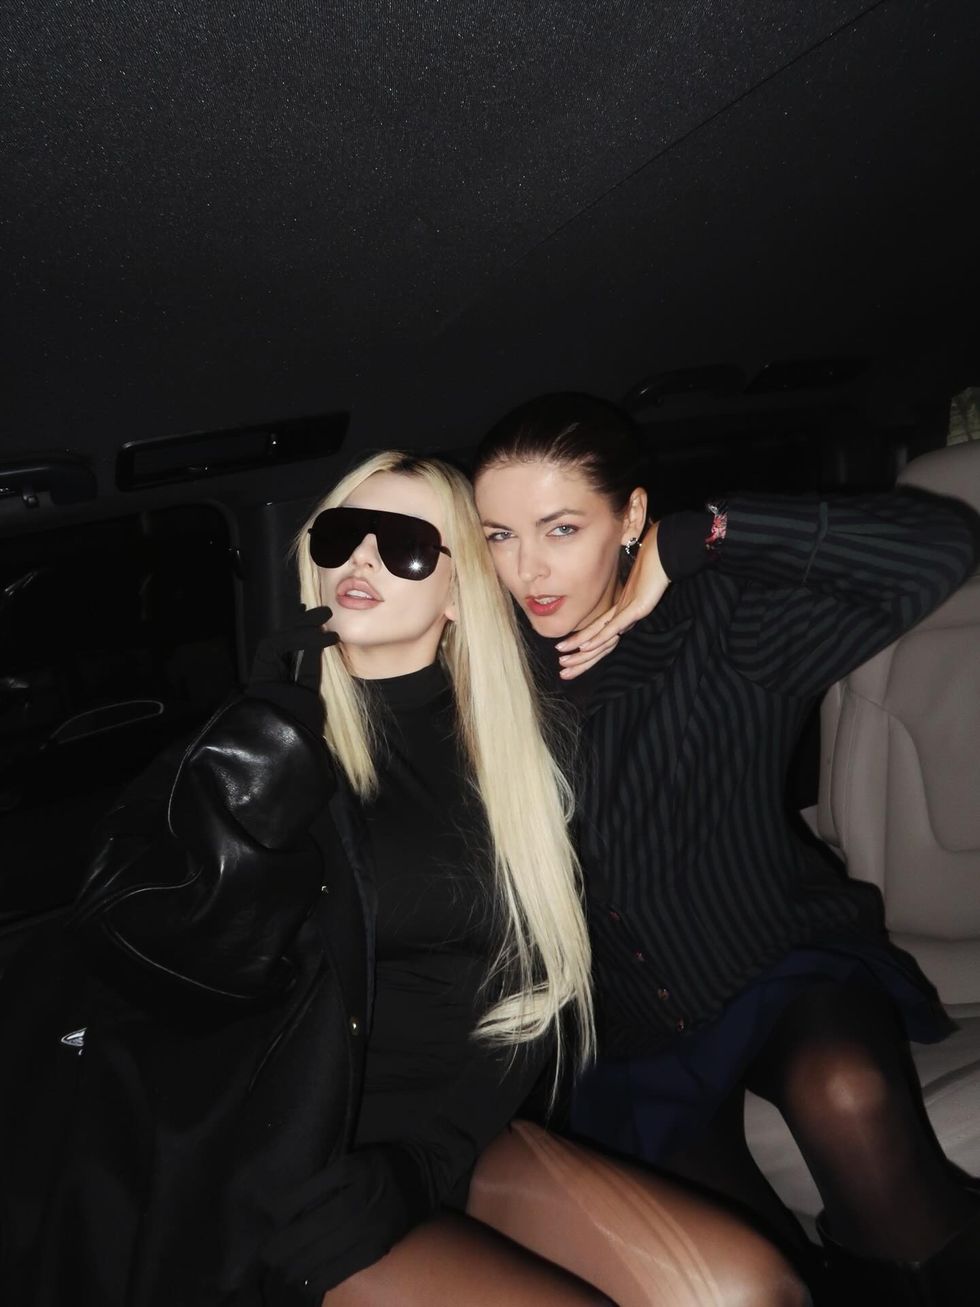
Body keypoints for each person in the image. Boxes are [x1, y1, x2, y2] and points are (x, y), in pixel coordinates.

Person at [0, 450, 806, 1307]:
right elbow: (161, 954)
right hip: (287, 1161)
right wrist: (263, 754)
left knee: (751, 1287)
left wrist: (428, 1161)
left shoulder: (515, 752)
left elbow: (529, 993)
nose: (362, 558)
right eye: (343, 534)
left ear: (460, 591)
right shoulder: (254, 744)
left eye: (406, 545)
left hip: (448, 1135)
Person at [472, 393, 980, 1306]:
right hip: (626, 1032)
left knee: (847, 1091)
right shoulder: (486, 676)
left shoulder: (723, 621)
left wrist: (697, 538)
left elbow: (941, 548)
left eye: (561, 528)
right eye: (498, 536)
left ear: (629, 515)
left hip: (770, 960)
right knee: (737, 1267)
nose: (528, 568)